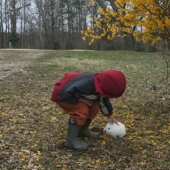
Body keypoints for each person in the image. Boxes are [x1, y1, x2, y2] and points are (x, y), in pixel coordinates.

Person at [51, 70, 126, 150]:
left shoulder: (101, 88)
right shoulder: (86, 84)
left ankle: (82, 130)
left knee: (94, 108)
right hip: (63, 96)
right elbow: (65, 93)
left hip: (77, 96)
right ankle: (70, 140)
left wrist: (110, 116)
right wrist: (81, 100)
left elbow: (103, 101)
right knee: (81, 111)